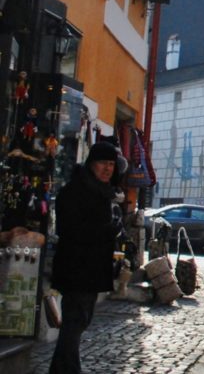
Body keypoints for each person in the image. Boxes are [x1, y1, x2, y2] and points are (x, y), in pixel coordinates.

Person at [50, 142, 123, 373]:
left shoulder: (99, 191)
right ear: (92, 163)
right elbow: (71, 230)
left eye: (111, 164)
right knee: (74, 322)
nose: (107, 169)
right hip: (77, 268)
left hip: (89, 269)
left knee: (77, 323)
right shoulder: (77, 191)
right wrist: (108, 230)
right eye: (103, 163)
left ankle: (62, 369)